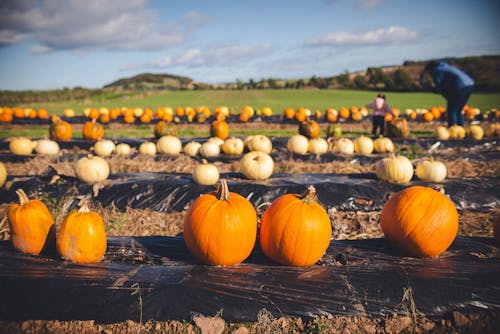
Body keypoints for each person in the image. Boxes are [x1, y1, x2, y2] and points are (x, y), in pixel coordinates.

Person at [423, 60, 474, 127]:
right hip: (469, 84)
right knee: (458, 110)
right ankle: (460, 128)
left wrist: (429, 88)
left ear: (430, 69)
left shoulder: (436, 71)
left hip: (460, 86)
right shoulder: (445, 67)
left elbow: (439, 87)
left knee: (452, 110)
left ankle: (452, 128)